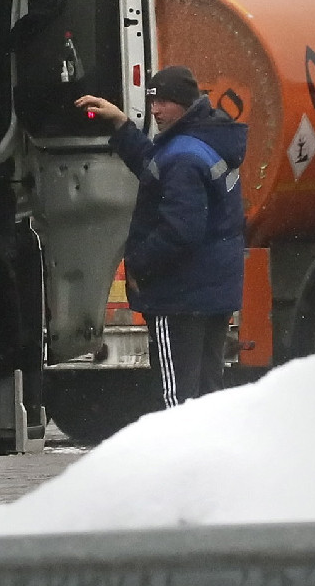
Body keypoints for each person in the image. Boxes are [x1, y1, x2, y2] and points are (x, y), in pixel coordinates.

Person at [76, 66, 247, 407]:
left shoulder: (182, 156)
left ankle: (181, 460)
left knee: (176, 400)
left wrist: (138, 265)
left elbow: (181, 229)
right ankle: (209, 459)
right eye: (152, 101)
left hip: (179, 296)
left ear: (185, 104)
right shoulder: (203, 139)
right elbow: (156, 167)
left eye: (164, 102)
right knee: (208, 395)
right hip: (211, 292)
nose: (155, 110)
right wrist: (121, 124)